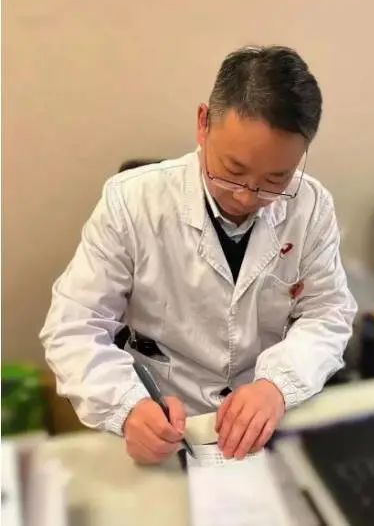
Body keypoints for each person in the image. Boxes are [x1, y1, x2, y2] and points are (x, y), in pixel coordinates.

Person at [40, 45, 357, 464]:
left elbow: (328, 313)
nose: (247, 197)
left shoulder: (311, 207)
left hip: (263, 416)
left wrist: (277, 385)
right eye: (233, 171)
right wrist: (126, 407)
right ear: (203, 123)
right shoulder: (132, 202)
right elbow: (74, 326)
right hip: (169, 418)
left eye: (275, 179)